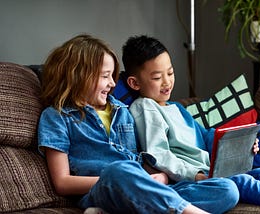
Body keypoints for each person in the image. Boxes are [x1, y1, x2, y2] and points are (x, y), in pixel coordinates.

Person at [37, 34, 240, 214]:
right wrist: (128, 179)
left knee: (227, 190)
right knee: (119, 170)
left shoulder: (122, 111)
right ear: (79, 76)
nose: (112, 84)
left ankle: (139, 206)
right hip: (102, 189)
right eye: (105, 76)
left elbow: (136, 158)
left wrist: (158, 176)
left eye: (113, 76)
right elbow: (62, 183)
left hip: (142, 187)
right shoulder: (56, 116)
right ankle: (185, 210)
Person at [122, 35, 260, 214]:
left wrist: (242, 143)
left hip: (209, 173)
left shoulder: (175, 108)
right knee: (236, 186)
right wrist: (197, 175)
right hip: (183, 182)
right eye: (157, 77)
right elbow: (159, 154)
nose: (167, 82)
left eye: (171, 73)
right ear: (134, 83)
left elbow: (207, 137)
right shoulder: (144, 107)